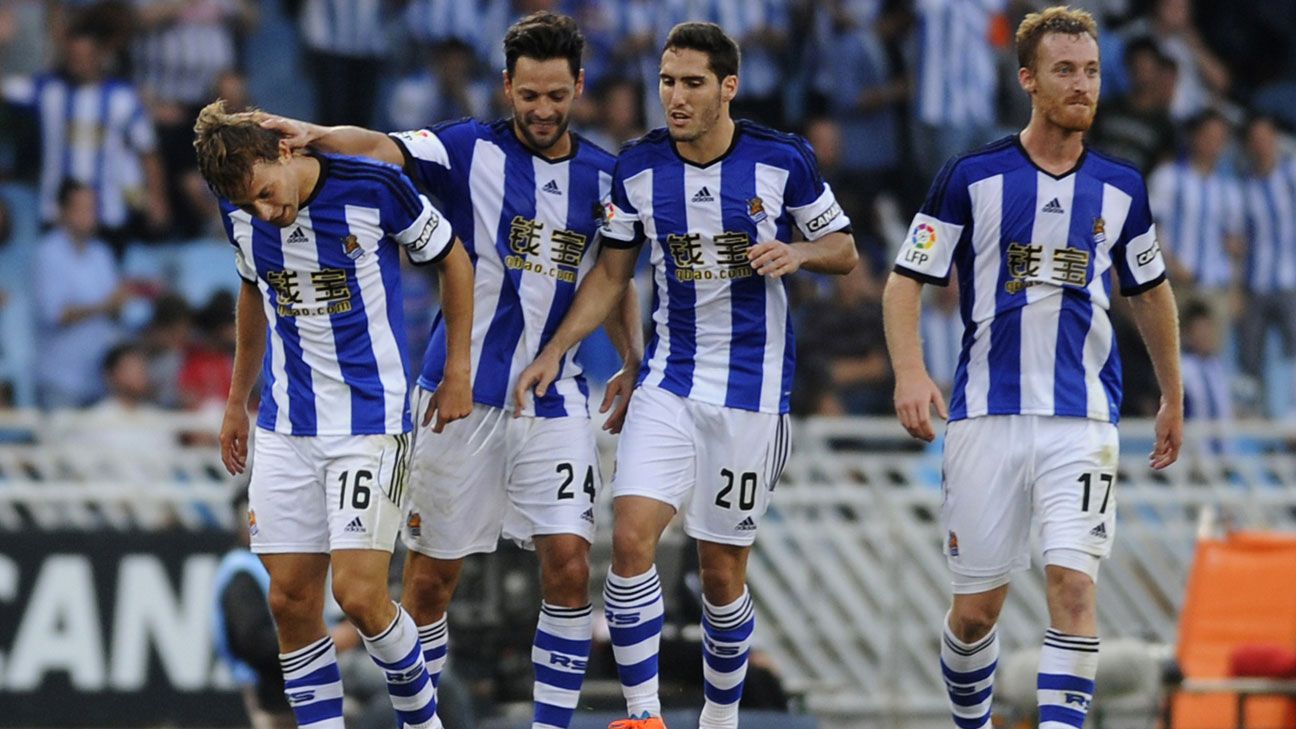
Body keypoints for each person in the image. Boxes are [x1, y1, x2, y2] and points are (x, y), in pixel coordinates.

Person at [262, 12, 641, 729]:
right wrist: (313, 134)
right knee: (431, 581)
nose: (542, 109)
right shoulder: (467, 147)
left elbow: (612, 270)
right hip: (454, 395)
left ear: (579, 89)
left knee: (566, 562)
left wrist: (627, 357)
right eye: (528, 94)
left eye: (556, 95)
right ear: (506, 86)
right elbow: (379, 146)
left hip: (552, 397)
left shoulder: (603, 174)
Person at [515, 22, 858, 729]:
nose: (675, 95)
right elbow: (614, 273)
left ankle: (720, 718)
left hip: (751, 394)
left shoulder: (782, 159)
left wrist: (798, 254)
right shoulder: (637, 169)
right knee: (632, 534)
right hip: (669, 381)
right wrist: (563, 349)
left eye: (692, 83)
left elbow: (846, 248)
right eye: (667, 81)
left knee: (722, 576)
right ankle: (644, 716)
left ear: (728, 87)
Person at [881, 8, 1183, 729]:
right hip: (985, 412)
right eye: (1064, 72)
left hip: (1082, 419)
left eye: (1091, 72)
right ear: (1028, 80)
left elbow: (1151, 292)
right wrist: (911, 372)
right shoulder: (971, 176)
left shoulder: (1121, 189)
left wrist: (1171, 394)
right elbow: (903, 281)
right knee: (975, 615)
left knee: (1073, 588)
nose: (1082, 86)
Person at [195, 99, 474, 729]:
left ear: (285, 150)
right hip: (287, 426)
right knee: (291, 601)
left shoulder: (371, 186)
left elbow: (454, 259)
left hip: (370, 422)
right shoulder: (240, 210)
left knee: (357, 593)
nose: (266, 211)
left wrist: (457, 368)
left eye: (266, 191)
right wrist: (238, 401)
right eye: (250, 205)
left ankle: (425, 722)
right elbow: (252, 289)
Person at [32, 181, 134, 408]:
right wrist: (106, 305)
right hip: (61, 380)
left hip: (99, 380)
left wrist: (121, 302)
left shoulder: (102, 253)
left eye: (92, 208)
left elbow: (115, 310)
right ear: (63, 212)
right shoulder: (48, 254)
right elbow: (57, 314)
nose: (89, 215)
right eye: (82, 208)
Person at [1237, 115, 1296, 417]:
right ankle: (1254, 415)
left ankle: (1290, 411)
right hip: (1256, 285)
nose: (1262, 146)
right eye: (1256, 140)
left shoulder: (1290, 174)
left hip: (1290, 281)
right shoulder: (1242, 186)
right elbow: (1237, 239)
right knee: (1250, 356)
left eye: (1266, 138)